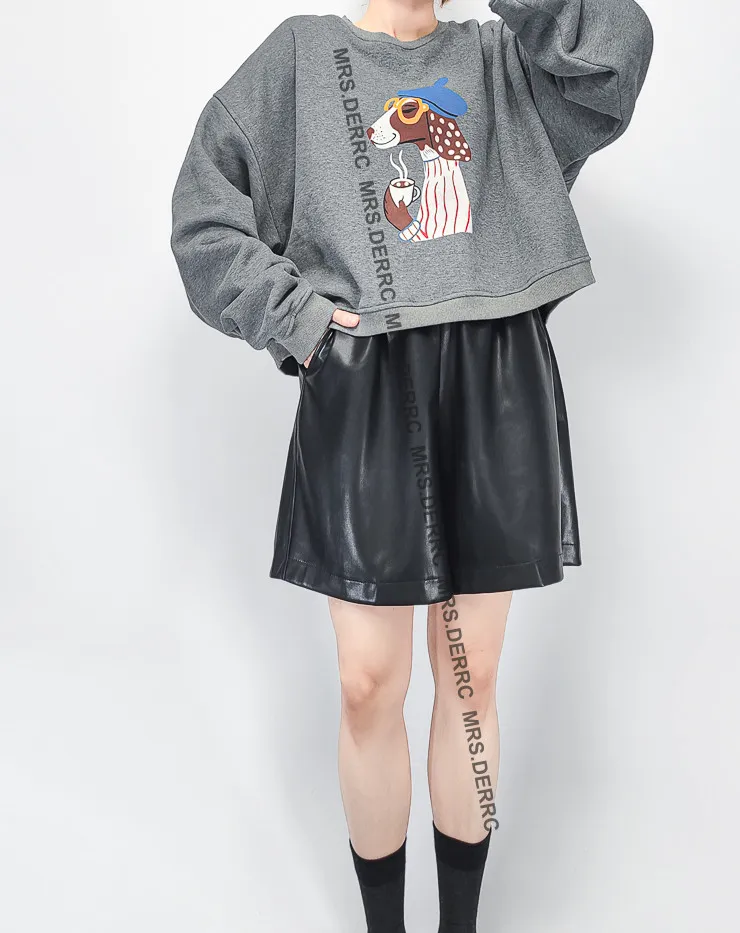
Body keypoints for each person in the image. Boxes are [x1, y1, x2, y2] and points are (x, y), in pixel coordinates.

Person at [170, 0, 653, 929]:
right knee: (367, 683)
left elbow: (616, 57)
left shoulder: (501, 61)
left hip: (494, 377)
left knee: (469, 682)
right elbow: (204, 211)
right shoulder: (304, 56)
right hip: (365, 380)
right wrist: (297, 319)